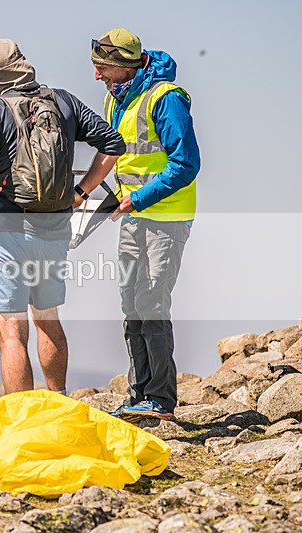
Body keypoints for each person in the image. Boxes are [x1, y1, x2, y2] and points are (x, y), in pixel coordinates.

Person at [0, 39, 124, 396]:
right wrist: (82, 191)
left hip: (6, 229)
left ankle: (23, 418)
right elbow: (113, 144)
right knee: (47, 318)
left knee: (11, 330)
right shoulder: (63, 100)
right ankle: (57, 403)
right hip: (55, 226)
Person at [91, 28, 200, 422]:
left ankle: (160, 399)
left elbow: (185, 163)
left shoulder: (166, 98)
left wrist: (138, 199)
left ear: (123, 65)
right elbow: (121, 159)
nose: (98, 76)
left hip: (165, 218)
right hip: (132, 216)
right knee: (130, 303)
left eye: (103, 68)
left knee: (152, 302)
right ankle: (139, 394)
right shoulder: (114, 99)